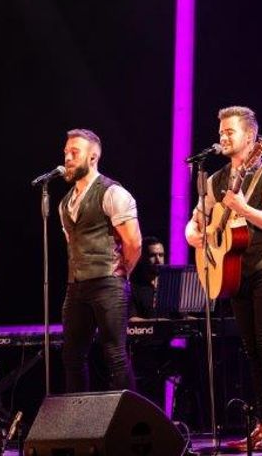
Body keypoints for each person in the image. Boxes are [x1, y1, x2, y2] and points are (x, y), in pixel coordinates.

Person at [185, 106, 262, 453]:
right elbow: (197, 220)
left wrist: (244, 208)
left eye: (229, 131)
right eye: (221, 132)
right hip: (234, 271)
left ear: (250, 136)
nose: (223, 137)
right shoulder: (215, 179)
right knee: (250, 347)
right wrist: (192, 235)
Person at [59, 128, 142, 393]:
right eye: (66, 152)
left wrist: (121, 273)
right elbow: (73, 244)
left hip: (108, 283)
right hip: (76, 286)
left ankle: (129, 414)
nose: (67, 158)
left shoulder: (112, 193)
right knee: (72, 356)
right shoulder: (64, 203)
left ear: (93, 157)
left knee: (115, 354)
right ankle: (79, 414)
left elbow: (133, 242)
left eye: (74, 153)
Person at [132, 237, 167, 319]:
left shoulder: (169, 286)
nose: (158, 260)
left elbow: (181, 317)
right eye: (152, 255)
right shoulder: (132, 288)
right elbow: (132, 319)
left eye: (161, 255)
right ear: (141, 258)